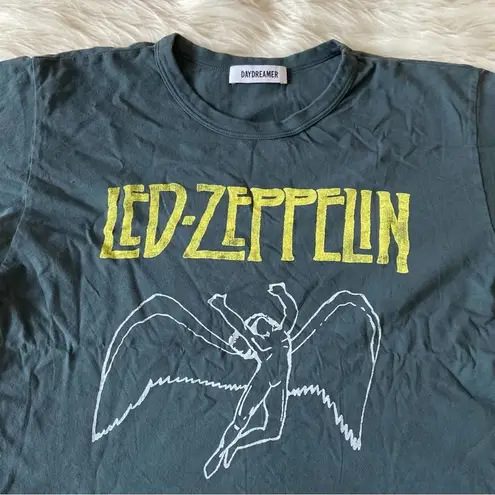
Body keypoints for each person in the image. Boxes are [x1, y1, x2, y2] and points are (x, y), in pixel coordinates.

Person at [203, 283, 298, 479]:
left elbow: (291, 312)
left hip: (277, 384)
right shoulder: (262, 344)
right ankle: (221, 451)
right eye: (264, 324)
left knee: (272, 430)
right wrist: (222, 308)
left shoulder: (280, 336)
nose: (269, 322)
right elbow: (241, 327)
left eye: (267, 321)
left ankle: (235, 445)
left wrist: (282, 293)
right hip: (264, 381)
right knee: (240, 421)